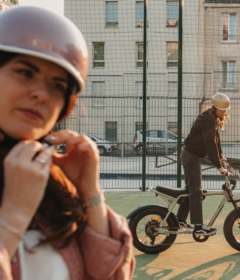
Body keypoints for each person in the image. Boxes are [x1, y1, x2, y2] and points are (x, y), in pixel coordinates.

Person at [0, 6, 135, 280]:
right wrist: (13, 216)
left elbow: (112, 276)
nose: (41, 94)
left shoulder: (53, 183)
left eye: (57, 85)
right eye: (25, 72)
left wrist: (90, 194)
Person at [177, 93, 230, 236]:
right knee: (196, 191)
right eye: (222, 110)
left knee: (191, 190)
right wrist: (219, 166)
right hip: (191, 156)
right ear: (215, 108)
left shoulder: (212, 118)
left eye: (226, 110)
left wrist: (221, 158)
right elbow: (210, 145)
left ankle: (180, 219)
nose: (224, 112)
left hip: (191, 154)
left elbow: (216, 141)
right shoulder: (207, 121)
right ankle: (198, 227)